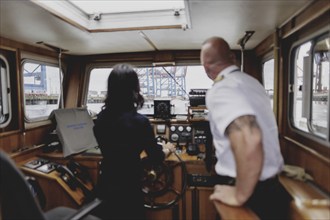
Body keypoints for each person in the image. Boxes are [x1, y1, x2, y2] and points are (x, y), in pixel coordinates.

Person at [200, 37, 290, 220]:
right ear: (232, 58)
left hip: (248, 192)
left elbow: (249, 138)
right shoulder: (252, 83)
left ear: (206, 67)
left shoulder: (221, 89)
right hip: (272, 189)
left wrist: (240, 194)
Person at [93, 63, 175, 220]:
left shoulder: (100, 119)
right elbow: (155, 157)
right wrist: (168, 149)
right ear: (134, 89)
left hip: (106, 185)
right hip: (129, 188)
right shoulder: (140, 122)